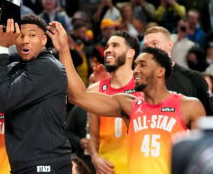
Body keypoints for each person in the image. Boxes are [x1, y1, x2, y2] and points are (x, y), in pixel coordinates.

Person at [46, 22, 206, 174]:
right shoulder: (129, 105)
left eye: (142, 65)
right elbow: (78, 97)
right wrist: (64, 50)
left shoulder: (189, 106)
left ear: (160, 71)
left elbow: (201, 155)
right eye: (135, 65)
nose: (135, 70)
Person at [0, 11, 72, 173]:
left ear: (43, 40)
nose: (25, 40)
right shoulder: (16, 69)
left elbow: (2, 102)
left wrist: (2, 49)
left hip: (45, 163)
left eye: (32, 35)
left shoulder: (48, 67)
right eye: (21, 36)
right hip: (23, 165)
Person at [87, 31, 141, 174]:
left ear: (130, 53)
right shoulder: (95, 89)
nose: (108, 50)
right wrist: (94, 157)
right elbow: (93, 136)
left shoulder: (144, 88)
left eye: (115, 45)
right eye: (107, 46)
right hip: (108, 170)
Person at [143, 26, 213, 115]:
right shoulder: (139, 81)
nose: (149, 49)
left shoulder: (194, 79)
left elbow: (210, 116)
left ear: (169, 45)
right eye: (145, 46)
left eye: (154, 43)